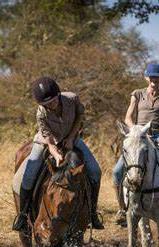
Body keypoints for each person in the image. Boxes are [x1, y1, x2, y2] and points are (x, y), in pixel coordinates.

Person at [12, 76, 104, 232]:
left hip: (72, 137)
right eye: (46, 104)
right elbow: (47, 136)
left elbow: (79, 117)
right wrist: (54, 152)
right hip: (47, 141)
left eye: (53, 101)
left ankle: (92, 213)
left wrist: (71, 137)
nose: (51, 106)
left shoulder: (73, 99)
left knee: (95, 171)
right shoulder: (41, 113)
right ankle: (23, 214)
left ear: (59, 95)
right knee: (28, 175)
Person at [114, 63, 159, 226]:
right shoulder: (137, 94)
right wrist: (135, 130)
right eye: (151, 76)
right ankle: (122, 209)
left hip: (157, 139)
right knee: (117, 171)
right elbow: (127, 117)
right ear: (146, 77)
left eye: (157, 76)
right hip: (139, 138)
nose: (154, 79)